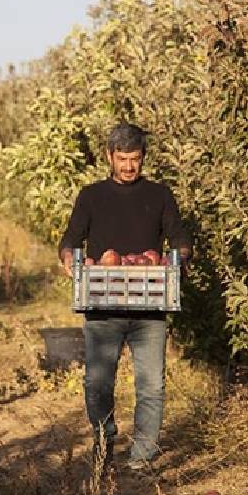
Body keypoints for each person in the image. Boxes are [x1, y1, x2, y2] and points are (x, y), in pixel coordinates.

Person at [58, 122, 192, 472]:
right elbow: (70, 239)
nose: (129, 166)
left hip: (150, 306)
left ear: (143, 158)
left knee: (152, 386)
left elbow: (179, 237)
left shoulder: (160, 195)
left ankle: (142, 458)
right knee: (97, 383)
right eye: (122, 159)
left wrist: (180, 257)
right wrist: (69, 259)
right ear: (109, 157)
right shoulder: (91, 196)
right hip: (104, 304)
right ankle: (105, 440)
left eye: (135, 158)